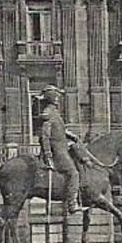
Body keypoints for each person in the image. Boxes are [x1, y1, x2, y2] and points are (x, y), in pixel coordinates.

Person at [36, 85, 82, 214]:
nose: (57, 99)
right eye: (55, 97)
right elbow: (45, 136)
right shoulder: (48, 113)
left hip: (63, 146)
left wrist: (71, 135)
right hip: (58, 151)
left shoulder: (54, 112)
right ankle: (72, 203)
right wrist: (48, 156)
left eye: (58, 97)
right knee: (74, 173)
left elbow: (60, 129)